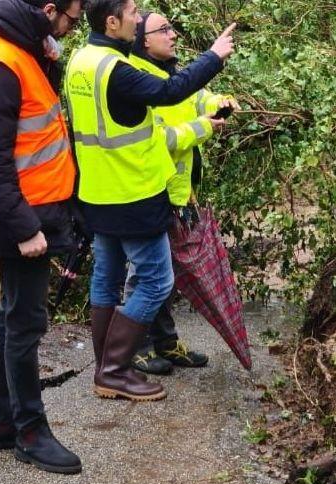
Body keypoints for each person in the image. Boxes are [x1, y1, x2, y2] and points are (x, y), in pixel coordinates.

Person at [64, 0, 236, 401]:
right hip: (133, 190)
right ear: (111, 22)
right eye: (133, 13)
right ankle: (113, 370)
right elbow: (168, 90)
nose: (138, 20)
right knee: (157, 282)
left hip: (96, 190)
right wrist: (213, 56)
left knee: (106, 277)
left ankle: (106, 365)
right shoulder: (117, 70)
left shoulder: (81, 60)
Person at [0, 0, 86, 475]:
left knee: (11, 314)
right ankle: (30, 431)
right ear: (49, 9)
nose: (72, 30)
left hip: (35, 210)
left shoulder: (26, 53)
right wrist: (26, 229)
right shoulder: (1, 63)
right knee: (25, 322)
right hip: (19, 218)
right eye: (71, 20)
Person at [125, 11, 239, 375]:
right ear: (143, 39)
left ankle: (166, 342)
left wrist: (221, 103)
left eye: (172, 28)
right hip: (150, 192)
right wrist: (203, 128)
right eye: (164, 30)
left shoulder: (170, 74)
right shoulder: (140, 81)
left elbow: (198, 96)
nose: (173, 35)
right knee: (143, 275)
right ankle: (133, 347)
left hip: (177, 195)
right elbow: (161, 140)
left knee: (166, 275)